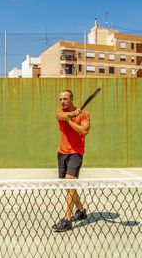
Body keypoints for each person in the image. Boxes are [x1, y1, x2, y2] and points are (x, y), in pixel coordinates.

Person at [52, 90, 90, 232]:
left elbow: (84, 131)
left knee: (69, 182)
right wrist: (71, 115)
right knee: (69, 187)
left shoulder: (84, 114)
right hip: (62, 153)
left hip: (76, 152)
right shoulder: (59, 111)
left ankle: (67, 220)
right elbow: (61, 116)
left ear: (72, 99)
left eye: (65, 99)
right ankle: (80, 210)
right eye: (61, 99)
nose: (62, 102)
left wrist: (70, 120)